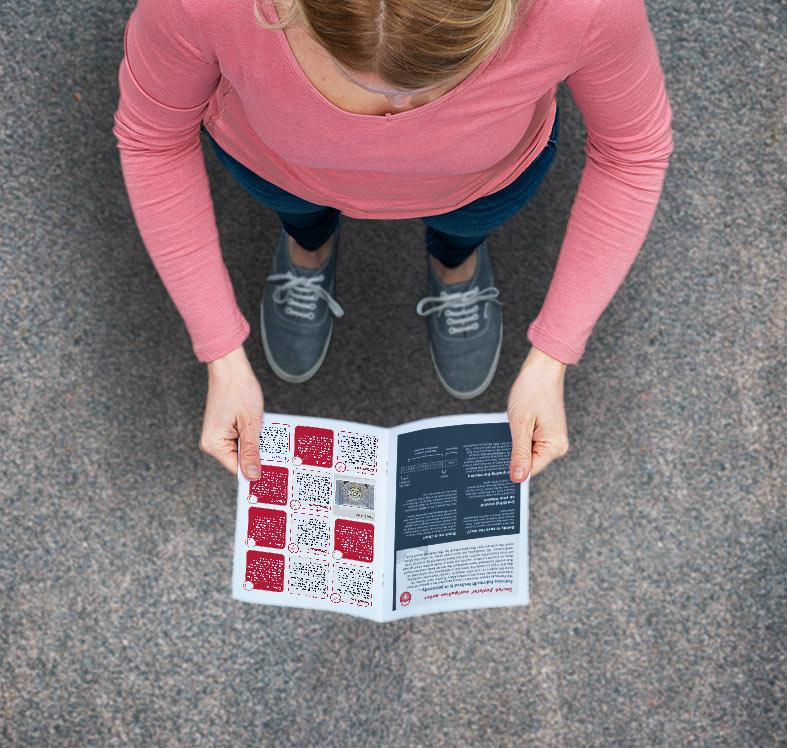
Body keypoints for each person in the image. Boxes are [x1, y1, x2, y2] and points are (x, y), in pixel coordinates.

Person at [112, 0, 673, 485]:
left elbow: (634, 153)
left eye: (429, 88)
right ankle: (308, 250)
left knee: (463, 233)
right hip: (280, 170)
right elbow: (152, 139)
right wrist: (220, 353)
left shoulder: (585, 10)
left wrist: (554, 356)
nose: (399, 117)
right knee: (301, 219)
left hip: (479, 186)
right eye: (358, 78)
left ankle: (455, 264)